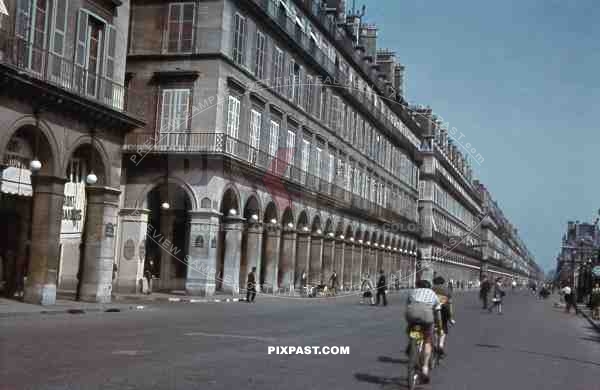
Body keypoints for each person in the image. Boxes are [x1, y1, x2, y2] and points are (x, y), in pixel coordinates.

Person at [405, 279, 442, 383]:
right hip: (426, 317)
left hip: (411, 314)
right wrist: (439, 325)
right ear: (429, 287)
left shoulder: (412, 291)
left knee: (410, 327)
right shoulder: (432, 293)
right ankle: (425, 368)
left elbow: (408, 305)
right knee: (427, 340)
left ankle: (411, 342)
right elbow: (438, 311)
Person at [432, 276, 455, 357]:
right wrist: (451, 317)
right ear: (443, 282)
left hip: (433, 310)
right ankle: (441, 345)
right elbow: (450, 305)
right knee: (444, 327)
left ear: (434, 282)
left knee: (435, 327)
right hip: (444, 310)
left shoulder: (431, 289)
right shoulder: (447, 291)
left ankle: (435, 344)